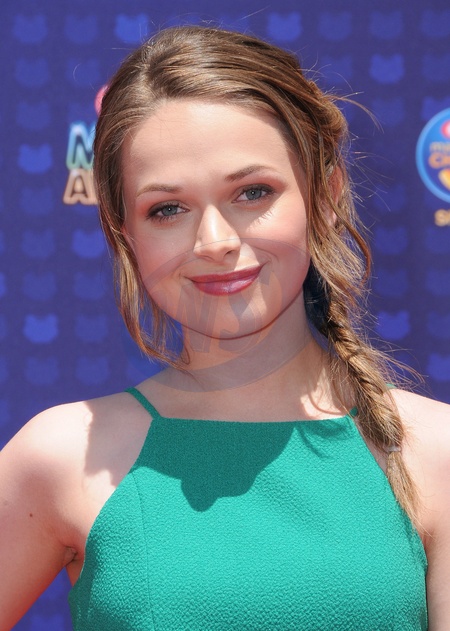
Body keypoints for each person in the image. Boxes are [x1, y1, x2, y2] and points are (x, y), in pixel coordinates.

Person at [1, 25, 449, 631]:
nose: (214, 241)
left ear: (324, 196)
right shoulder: (62, 456)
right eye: (167, 209)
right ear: (125, 234)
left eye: (252, 192)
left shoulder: (434, 452)